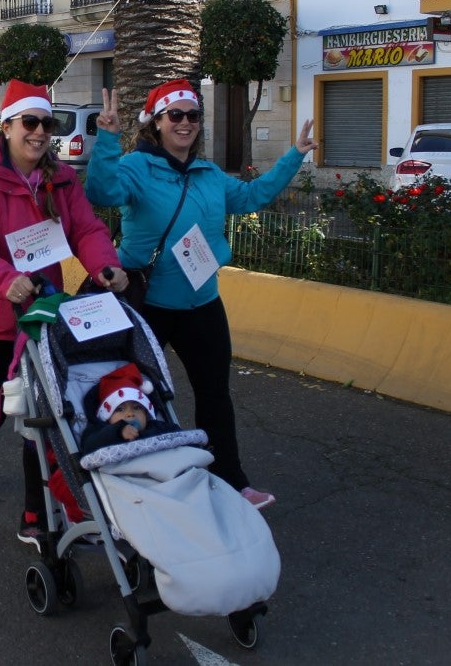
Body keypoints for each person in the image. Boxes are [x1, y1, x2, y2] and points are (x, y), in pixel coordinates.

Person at [84, 80, 319, 511]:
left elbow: (252, 196)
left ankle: (231, 480)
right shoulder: (136, 167)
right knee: (135, 395)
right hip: (146, 305)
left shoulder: (209, 174)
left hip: (202, 304)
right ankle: (135, 488)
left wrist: (295, 155)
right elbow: (100, 193)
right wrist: (108, 137)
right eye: (175, 115)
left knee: (215, 396)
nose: (186, 123)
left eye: (193, 115)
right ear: (157, 122)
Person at [0, 79, 127, 549]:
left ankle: (36, 515)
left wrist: (105, 266)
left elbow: (86, 230)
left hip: (41, 318)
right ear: (7, 126)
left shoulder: (62, 179)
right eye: (29, 123)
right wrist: (5, 279)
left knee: (45, 416)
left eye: (46, 124)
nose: (39, 133)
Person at [78, 364, 176, 455]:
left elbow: (178, 435)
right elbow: (89, 446)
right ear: (107, 416)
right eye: (120, 409)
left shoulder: (157, 427)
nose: (130, 413)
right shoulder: (99, 431)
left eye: (137, 407)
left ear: (146, 414)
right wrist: (118, 431)